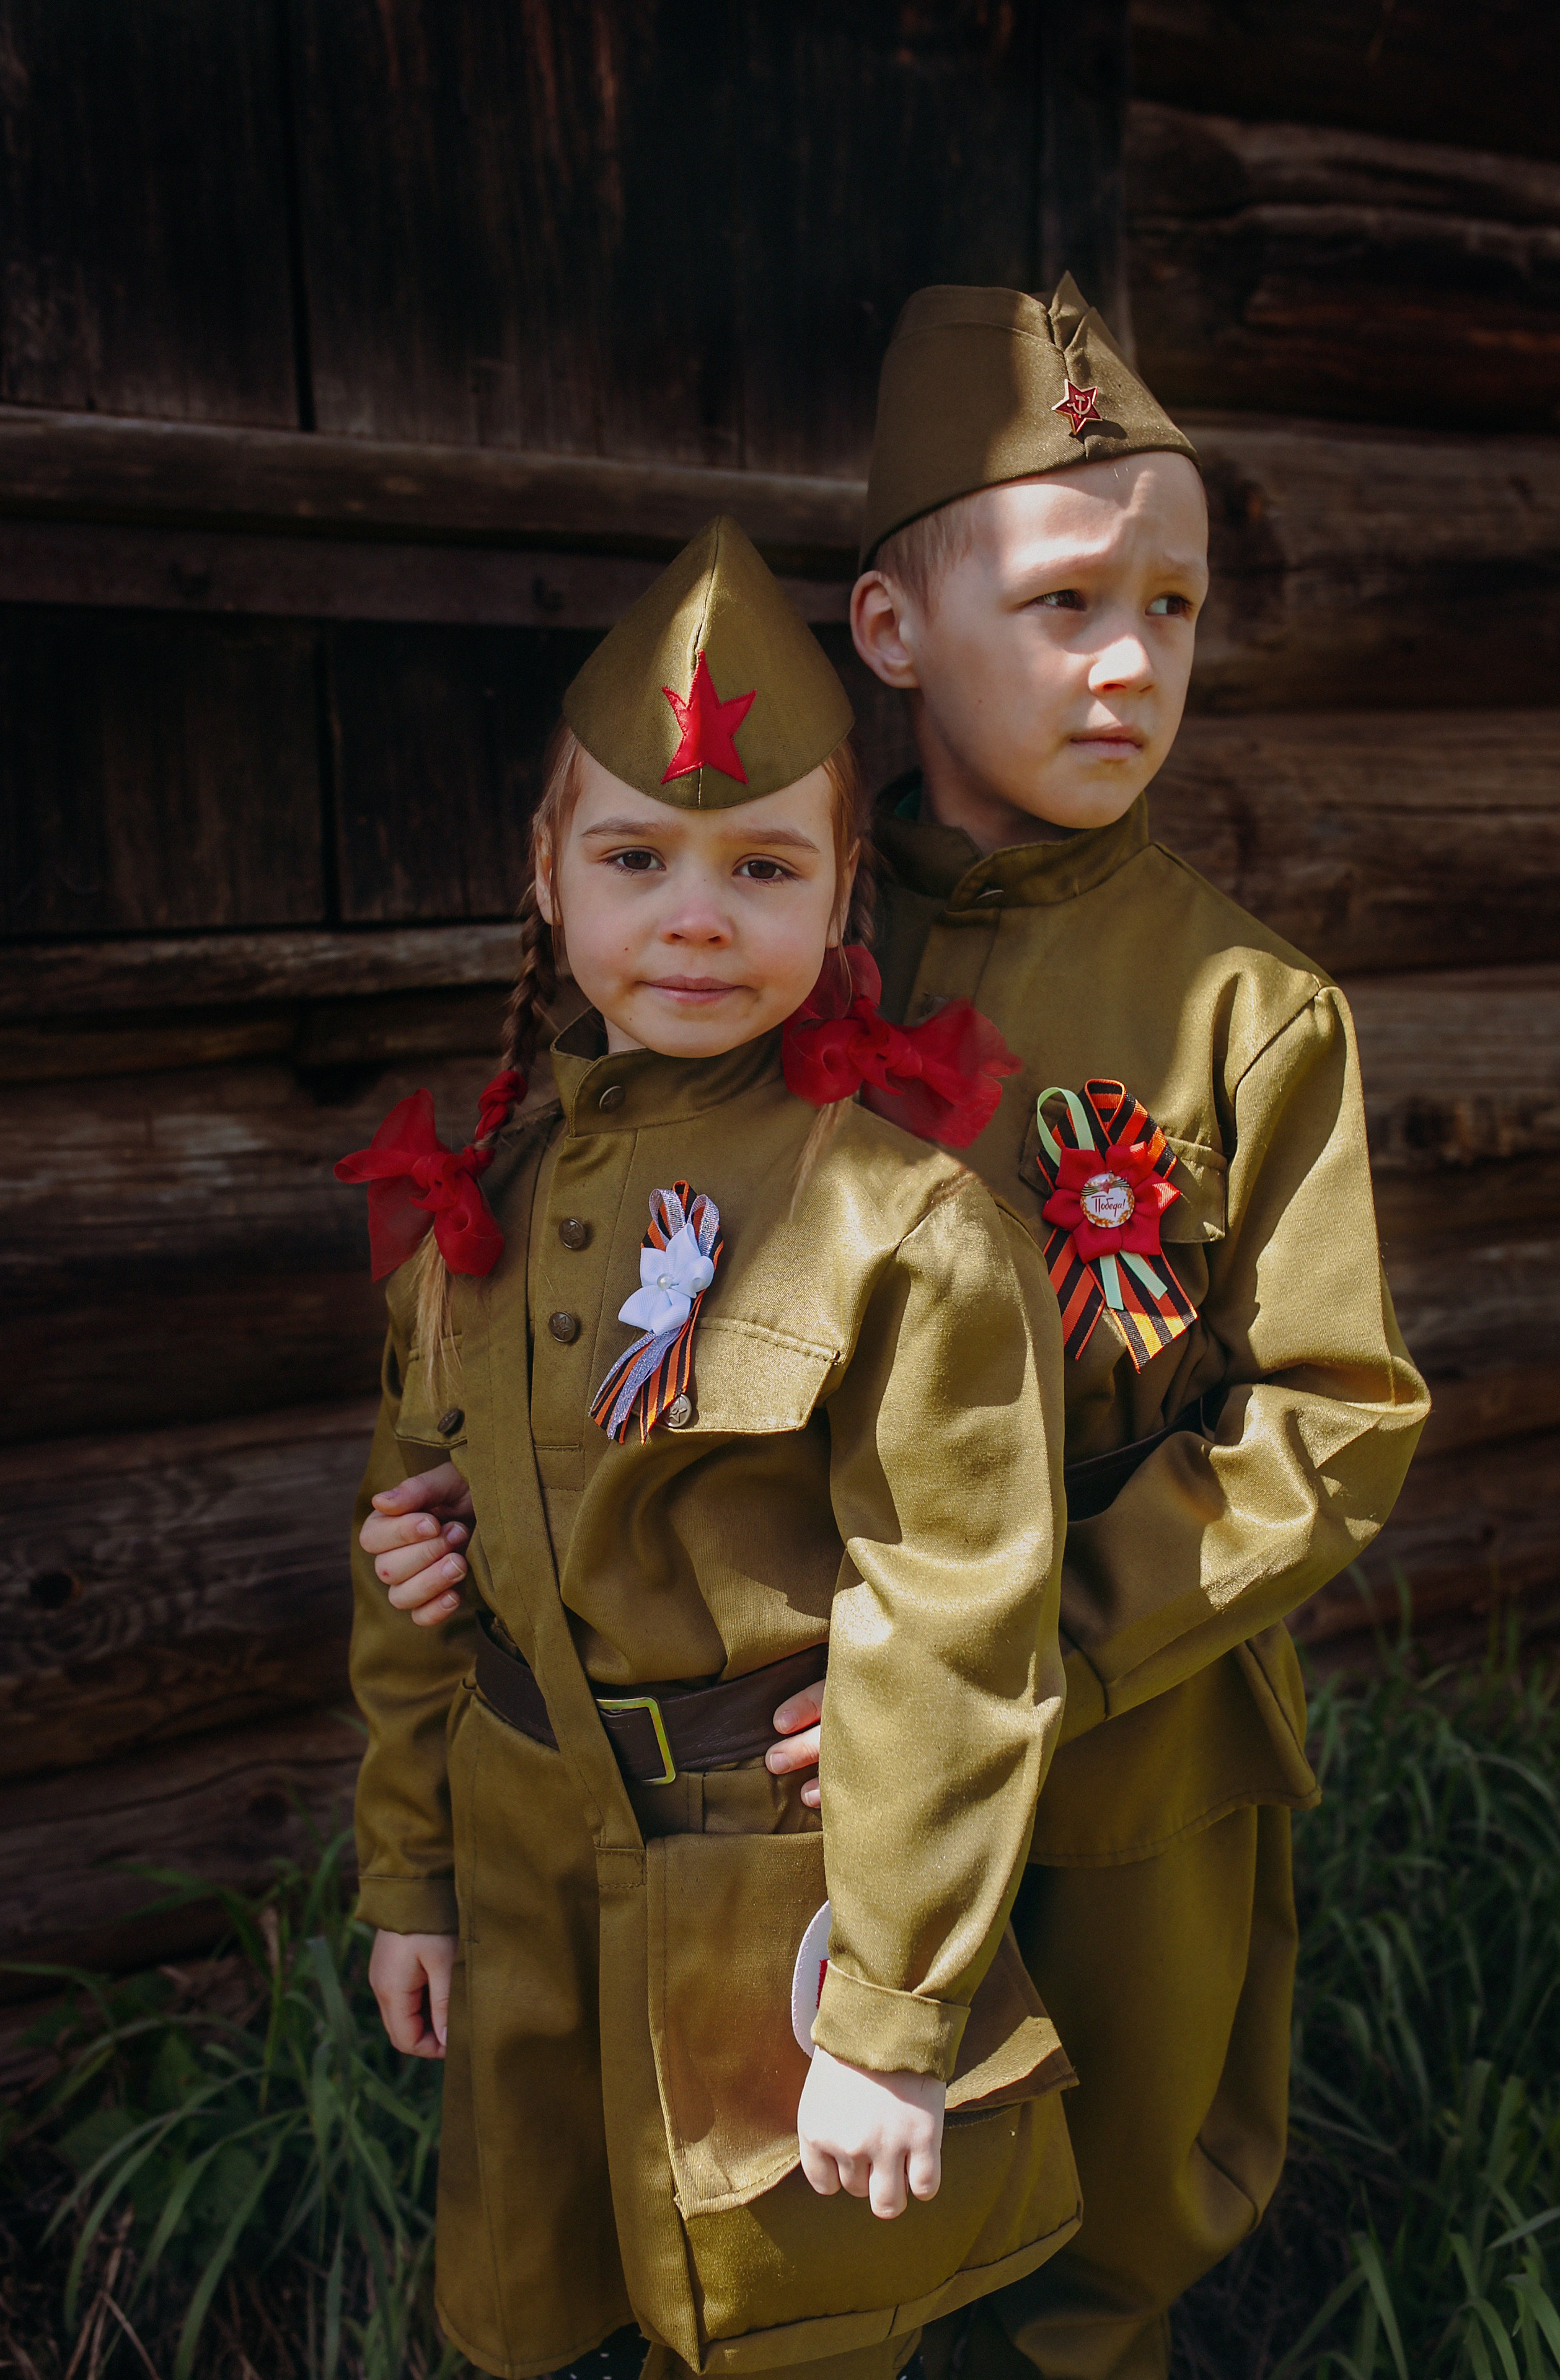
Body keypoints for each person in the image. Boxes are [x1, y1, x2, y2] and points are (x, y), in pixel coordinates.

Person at [376, 281, 1430, 2380]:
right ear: (889, 631)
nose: (1129, 662)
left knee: (1093, 2239)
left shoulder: (1246, 1011)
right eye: (1064, 603)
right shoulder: (770, 909)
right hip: (773, 1788)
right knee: (795, 2240)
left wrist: (1033, 1643)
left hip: (1127, 1735)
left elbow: (1334, 1412)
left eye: (1176, 608)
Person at [339, 514, 1082, 2380]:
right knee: (543, 2312)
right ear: (546, 875)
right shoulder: (476, 1211)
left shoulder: (905, 1226)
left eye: (761, 865)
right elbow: (412, 1568)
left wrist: (894, 2012)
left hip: (778, 1900)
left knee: (785, 2336)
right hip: (522, 1868)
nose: (694, 915)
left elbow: (962, 1625)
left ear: (841, 898)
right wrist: (412, 1876)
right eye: (633, 857)